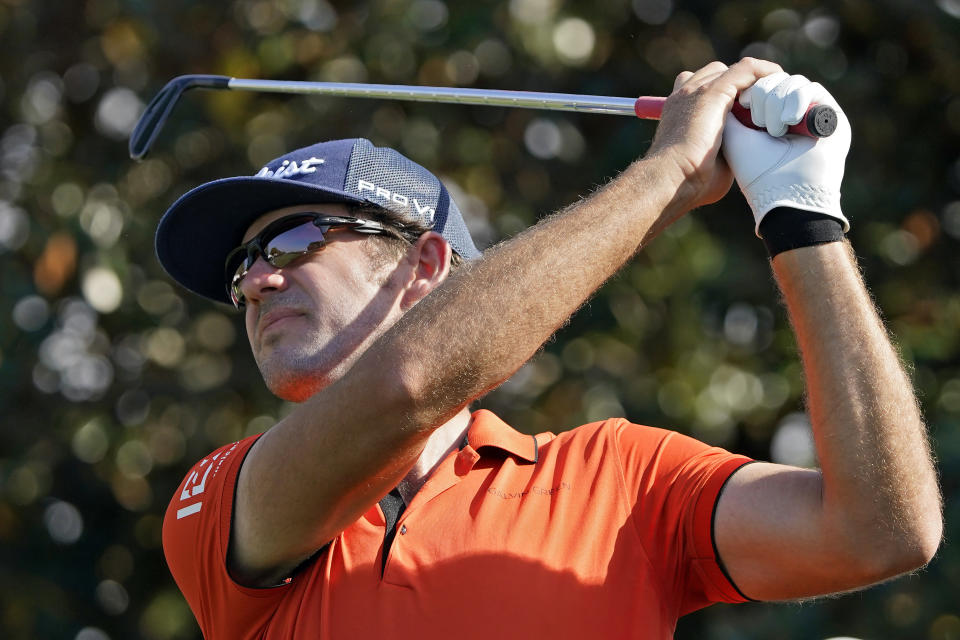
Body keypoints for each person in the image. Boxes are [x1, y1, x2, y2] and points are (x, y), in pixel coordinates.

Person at [157, 59, 942, 639]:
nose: (255, 282)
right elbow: (410, 385)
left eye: (293, 243)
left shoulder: (624, 479)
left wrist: (801, 218)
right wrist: (667, 172)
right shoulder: (220, 499)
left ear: (425, 267)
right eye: (240, 268)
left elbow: (879, 531)